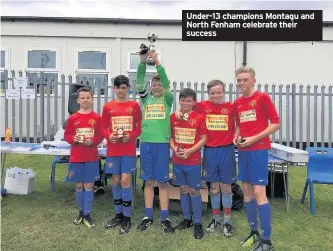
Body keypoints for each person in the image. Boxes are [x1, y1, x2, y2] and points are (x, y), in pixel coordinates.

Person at [175, 80, 237, 237]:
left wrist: (237, 134)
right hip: (210, 151)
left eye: (219, 92)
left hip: (227, 150)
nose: (216, 95)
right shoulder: (202, 106)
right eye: (212, 93)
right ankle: (215, 219)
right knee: (214, 187)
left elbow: (241, 123)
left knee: (226, 187)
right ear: (208, 94)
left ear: (223, 92)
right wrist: (177, 111)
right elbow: (185, 106)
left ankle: (227, 222)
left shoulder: (230, 107)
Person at [233, 66, 280, 251]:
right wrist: (236, 137)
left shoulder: (262, 98)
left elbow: (276, 123)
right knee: (246, 191)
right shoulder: (237, 103)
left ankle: (267, 241)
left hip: (259, 150)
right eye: (239, 80)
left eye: (245, 79)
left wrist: (254, 138)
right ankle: (254, 233)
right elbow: (238, 126)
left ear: (253, 80)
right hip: (243, 150)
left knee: (260, 192)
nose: (241, 83)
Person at [136, 50, 175, 233]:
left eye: (159, 83)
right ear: (151, 86)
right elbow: (139, 80)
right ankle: (148, 215)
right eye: (154, 83)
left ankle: (165, 218)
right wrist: (143, 62)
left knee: (163, 182)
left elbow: (167, 82)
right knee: (148, 181)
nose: (157, 86)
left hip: (162, 145)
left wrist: (157, 61)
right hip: (146, 144)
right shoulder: (146, 99)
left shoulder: (168, 99)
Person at [102, 75, 142, 234]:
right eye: (118, 87)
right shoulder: (108, 107)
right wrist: (108, 136)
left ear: (128, 89)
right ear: (114, 89)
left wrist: (131, 136)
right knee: (116, 181)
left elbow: (139, 127)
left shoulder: (134, 106)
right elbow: (103, 127)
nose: (120, 90)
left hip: (128, 150)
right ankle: (118, 215)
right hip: (113, 150)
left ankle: (127, 218)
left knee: (125, 181)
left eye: (123, 87)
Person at [64, 87, 104, 228]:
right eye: (82, 98)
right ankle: (80, 213)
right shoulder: (73, 118)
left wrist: (92, 141)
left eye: (88, 97)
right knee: (79, 185)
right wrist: (74, 139)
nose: (85, 100)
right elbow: (67, 135)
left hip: (91, 156)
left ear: (92, 100)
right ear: (78, 100)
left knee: (89, 185)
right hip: (77, 156)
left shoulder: (96, 117)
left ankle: (87, 214)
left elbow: (100, 136)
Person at [170, 88, 208, 239]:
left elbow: (204, 138)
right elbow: (171, 137)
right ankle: (187, 219)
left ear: (194, 102)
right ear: (179, 100)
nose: (185, 103)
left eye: (189, 101)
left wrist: (190, 151)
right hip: (178, 160)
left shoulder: (199, 117)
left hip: (192, 160)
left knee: (194, 190)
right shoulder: (173, 116)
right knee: (183, 189)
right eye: (183, 100)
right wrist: (174, 148)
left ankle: (198, 223)